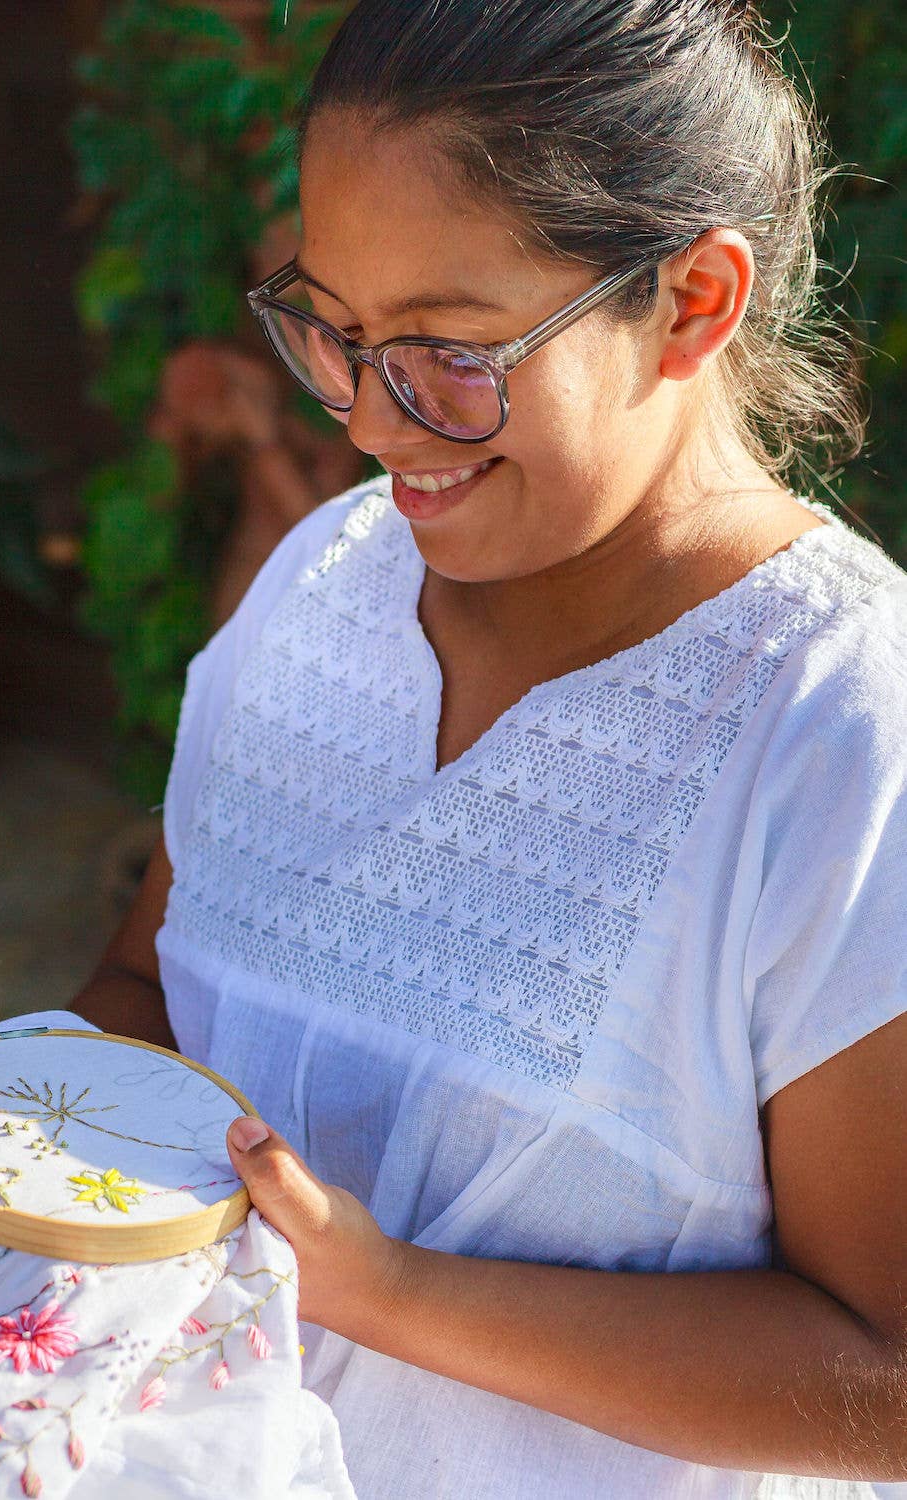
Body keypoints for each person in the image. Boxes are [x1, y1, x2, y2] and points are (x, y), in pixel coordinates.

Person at [71, 1, 907, 1494]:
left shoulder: (842, 734)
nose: (373, 425)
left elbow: (888, 1378)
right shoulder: (322, 591)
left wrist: (386, 1294)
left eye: (448, 351)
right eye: (334, 329)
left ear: (696, 302)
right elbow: (148, 985)